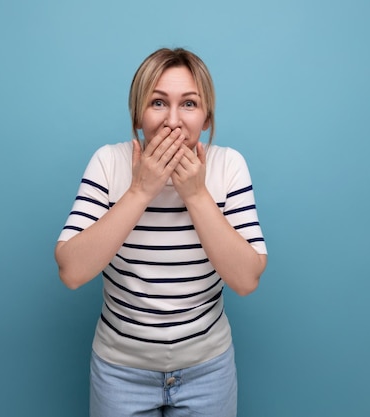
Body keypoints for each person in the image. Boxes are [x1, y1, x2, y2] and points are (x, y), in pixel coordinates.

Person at [55, 47, 267, 417]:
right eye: (157, 103)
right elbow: (72, 272)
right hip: (120, 373)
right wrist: (140, 191)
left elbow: (247, 279)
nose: (173, 121)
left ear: (206, 118)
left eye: (188, 104)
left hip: (208, 371)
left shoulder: (228, 166)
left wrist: (197, 195)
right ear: (138, 113)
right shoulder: (109, 162)